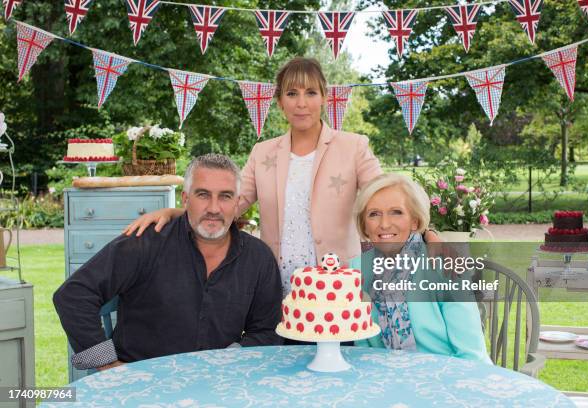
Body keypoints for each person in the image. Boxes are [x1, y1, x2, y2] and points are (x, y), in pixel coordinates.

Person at [123, 57, 440, 297]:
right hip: (279, 290)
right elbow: (231, 205)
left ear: (325, 98)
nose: (301, 103)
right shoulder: (263, 153)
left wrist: (428, 233)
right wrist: (174, 212)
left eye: (311, 92)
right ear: (279, 102)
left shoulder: (353, 146)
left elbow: (387, 196)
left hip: (340, 289)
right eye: (292, 93)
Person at [53, 154, 282, 371]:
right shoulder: (145, 243)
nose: (214, 208)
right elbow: (73, 296)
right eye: (203, 194)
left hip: (216, 383)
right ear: (185, 199)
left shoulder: (258, 258)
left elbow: (265, 331)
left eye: (225, 196)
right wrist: (108, 365)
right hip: (140, 383)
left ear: (237, 202)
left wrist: (230, 358)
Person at [351, 173, 490, 363]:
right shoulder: (356, 269)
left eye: (396, 212)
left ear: (415, 221)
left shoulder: (444, 263)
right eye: (374, 214)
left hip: (447, 378)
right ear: (364, 225)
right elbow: (363, 347)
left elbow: (472, 355)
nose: (384, 224)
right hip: (383, 377)